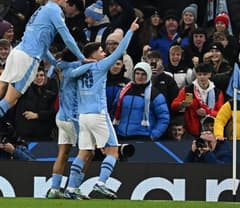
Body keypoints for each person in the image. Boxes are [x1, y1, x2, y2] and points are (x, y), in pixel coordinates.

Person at [0, 0, 86, 156]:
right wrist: (81, 57)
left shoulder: (41, 10)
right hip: (28, 59)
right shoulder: (54, 10)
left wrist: (54, 61)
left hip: (17, 52)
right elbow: (67, 37)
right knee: (10, 101)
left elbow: (42, 43)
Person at [64, 18, 139, 200]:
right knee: (113, 150)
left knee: (84, 152)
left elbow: (69, 74)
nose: (104, 53)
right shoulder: (100, 66)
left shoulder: (78, 70)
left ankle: (71, 188)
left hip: (82, 117)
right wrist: (131, 30)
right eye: (101, 51)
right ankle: (101, 183)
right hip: (98, 114)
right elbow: (119, 51)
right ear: (93, 55)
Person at [47, 49, 91, 199]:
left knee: (63, 153)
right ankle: (74, 187)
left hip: (61, 117)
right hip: (73, 118)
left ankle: (54, 189)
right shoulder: (74, 69)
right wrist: (89, 62)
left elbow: (53, 59)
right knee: (88, 152)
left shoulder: (62, 66)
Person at [112, 62, 170, 141]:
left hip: (143, 137)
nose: (140, 76)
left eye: (143, 74)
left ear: (148, 75)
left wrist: (153, 135)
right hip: (120, 135)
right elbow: (114, 111)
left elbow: (164, 118)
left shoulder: (155, 94)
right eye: (137, 73)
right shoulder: (123, 91)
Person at [171, 63, 225, 136]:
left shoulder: (217, 92)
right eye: (199, 74)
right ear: (196, 75)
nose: (202, 77)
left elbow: (220, 113)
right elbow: (173, 106)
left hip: (212, 130)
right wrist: (181, 104)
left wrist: (207, 112)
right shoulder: (188, 89)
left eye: (204, 74)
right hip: (192, 131)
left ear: (209, 75)